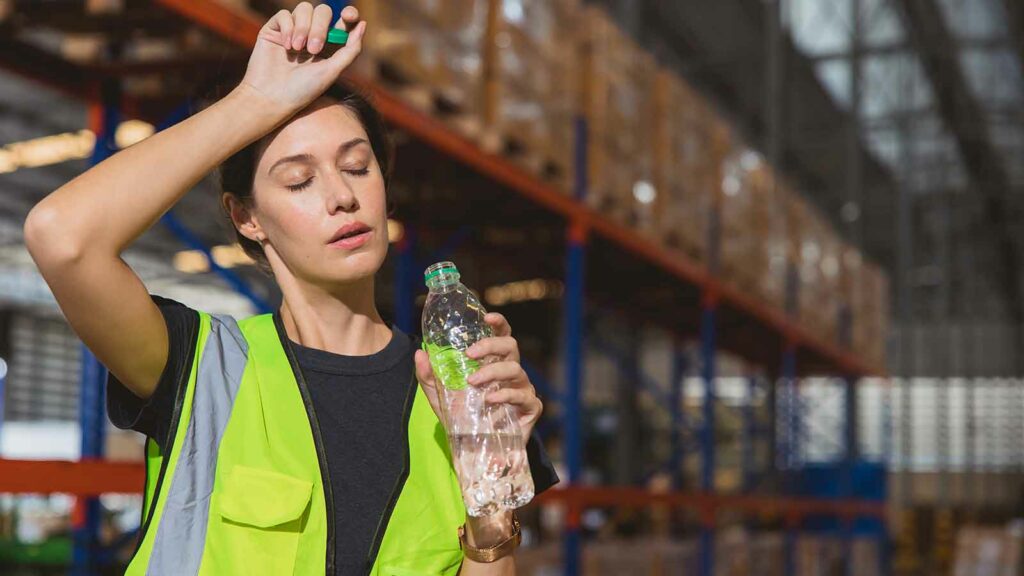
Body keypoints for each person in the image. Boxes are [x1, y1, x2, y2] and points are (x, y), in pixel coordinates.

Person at [24, 4, 558, 575]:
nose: (342, 197)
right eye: (300, 180)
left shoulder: (461, 394)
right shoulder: (200, 367)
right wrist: (256, 100)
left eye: (358, 167)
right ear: (246, 217)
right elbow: (63, 239)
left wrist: (491, 491)